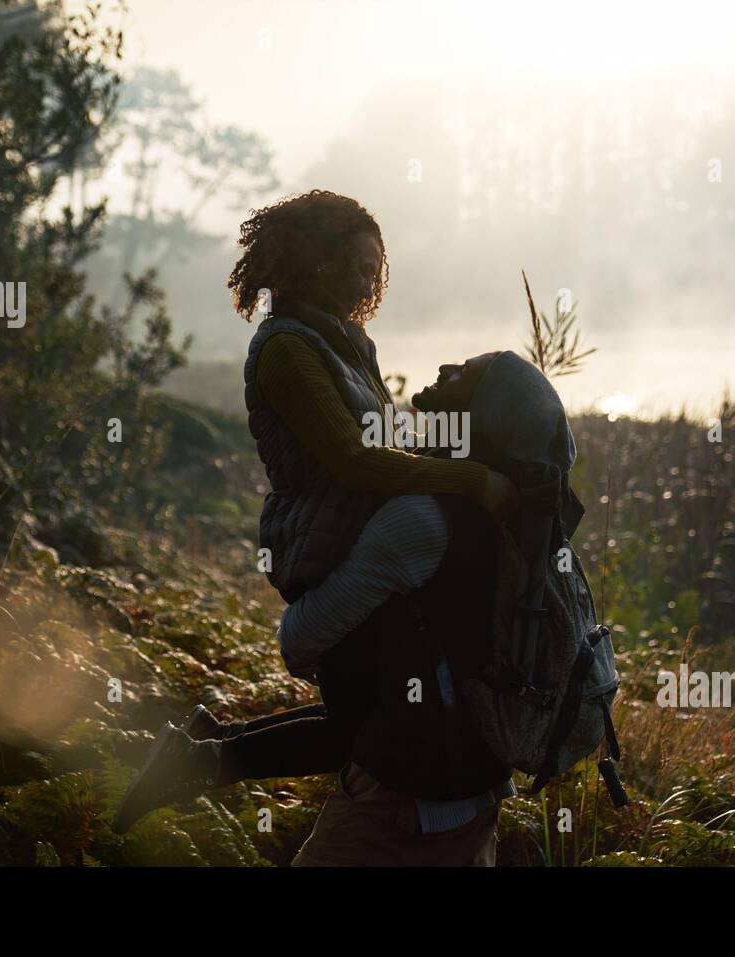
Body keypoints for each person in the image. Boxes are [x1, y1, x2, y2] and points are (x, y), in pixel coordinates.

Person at [111, 191, 516, 835]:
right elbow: (352, 460)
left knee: (363, 722)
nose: (366, 278)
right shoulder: (286, 351)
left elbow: (382, 443)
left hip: (363, 544)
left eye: (374, 265)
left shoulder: (348, 342)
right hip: (322, 550)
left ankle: (200, 753)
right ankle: (198, 761)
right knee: (363, 735)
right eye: (355, 262)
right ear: (313, 260)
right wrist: (473, 482)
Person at [114, 351, 584, 868]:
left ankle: (204, 757)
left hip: (400, 814)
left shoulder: (422, 520)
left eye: (466, 373)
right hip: (472, 796)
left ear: (482, 416)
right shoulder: (521, 526)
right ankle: (206, 756)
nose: (447, 367)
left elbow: (300, 642)